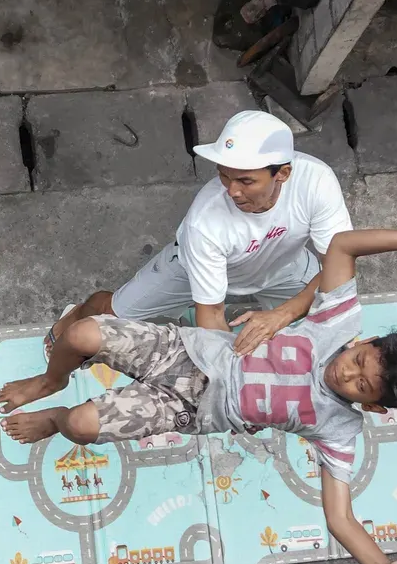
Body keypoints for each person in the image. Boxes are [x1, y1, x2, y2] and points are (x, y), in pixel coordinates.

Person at [0, 227, 397, 564]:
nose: (347, 373)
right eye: (358, 361)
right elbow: (342, 247)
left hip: (188, 408)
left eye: (361, 386)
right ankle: (53, 380)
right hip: (184, 352)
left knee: (83, 427)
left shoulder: (339, 429)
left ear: (374, 407)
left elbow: (340, 517)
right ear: (364, 343)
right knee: (83, 335)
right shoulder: (338, 324)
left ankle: (56, 416)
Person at [39, 111, 351, 387]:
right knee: (111, 318)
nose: (232, 191)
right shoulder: (206, 221)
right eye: (223, 175)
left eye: (245, 181)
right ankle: (74, 316)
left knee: (336, 331)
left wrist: (282, 315)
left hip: (285, 266)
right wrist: (236, 384)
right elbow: (212, 317)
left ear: (282, 173)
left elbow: (341, 261)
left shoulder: (317, 181)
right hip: (189, 271)